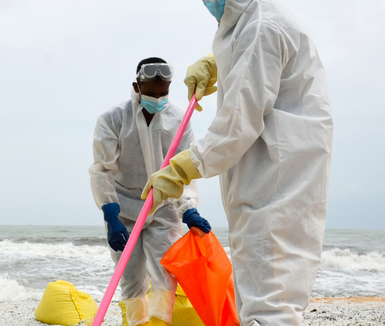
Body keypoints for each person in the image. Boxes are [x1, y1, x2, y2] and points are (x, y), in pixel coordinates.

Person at [139, 0, 334, 324]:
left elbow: (238, 122)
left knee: (269, 305)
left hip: (276, 181)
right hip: (265, 177)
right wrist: (218, 61)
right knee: (258, 296)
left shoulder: (261, 29)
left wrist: (183, 167)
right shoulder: (250, 23)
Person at [90, 57, 212, 326]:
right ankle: (135, 323)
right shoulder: (114, 119)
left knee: (166, 273)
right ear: (137, 86)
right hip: (124, 208)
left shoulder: (180, 119)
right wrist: (110, 212)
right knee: (130, 276)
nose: (157, 98)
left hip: (164, 206)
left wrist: (188, 208)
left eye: (163, 92)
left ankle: (159, 323)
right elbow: (102, 169)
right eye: (151, 92)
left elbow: (184, 168)